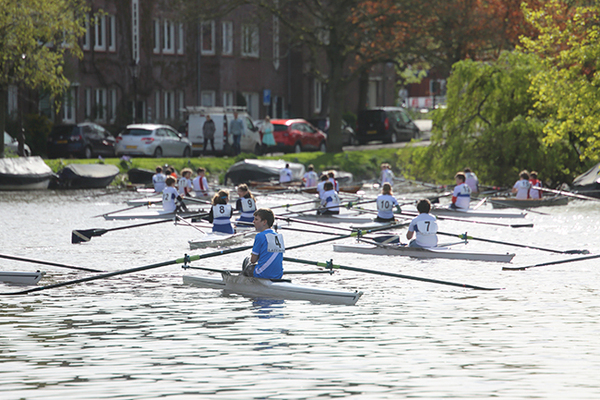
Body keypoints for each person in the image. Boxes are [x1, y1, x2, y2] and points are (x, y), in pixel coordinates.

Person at [241, 208, 284, 279]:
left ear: (264, 222)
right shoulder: (278, 236)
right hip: (278, 275)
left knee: (246, 263)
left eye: (256, 219)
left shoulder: (259, 236)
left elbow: (253, 260)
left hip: (262, 274)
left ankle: (244, 286)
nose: (253, 221)